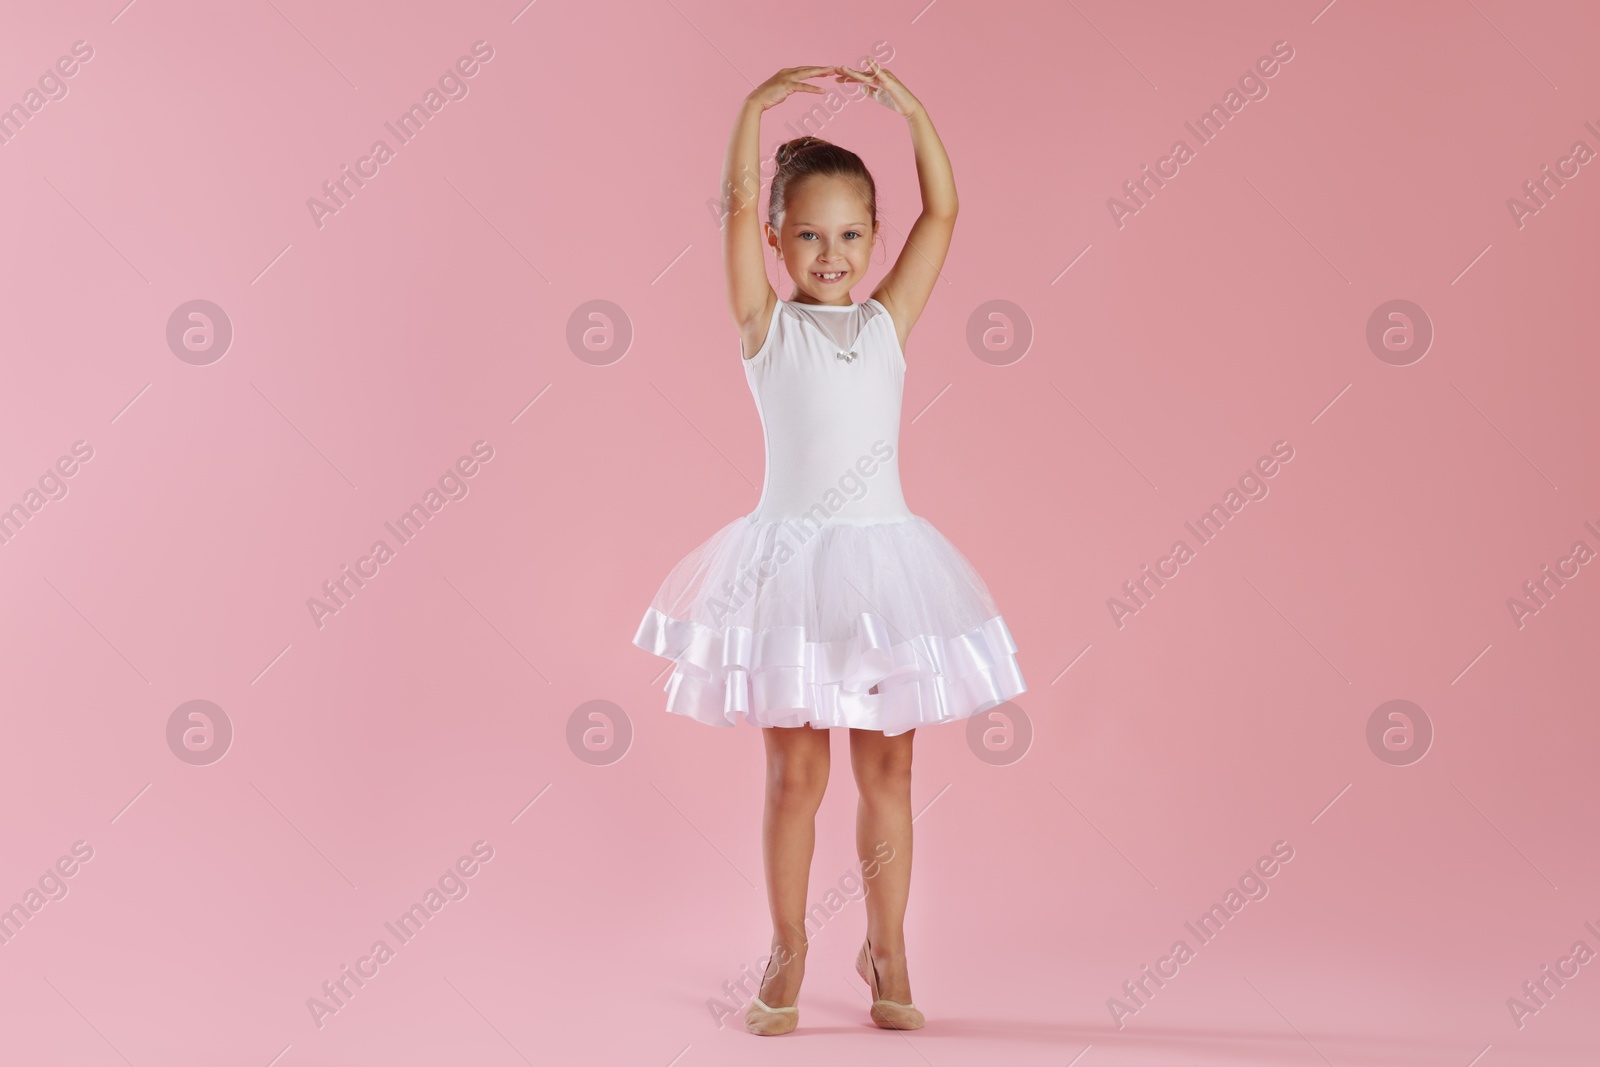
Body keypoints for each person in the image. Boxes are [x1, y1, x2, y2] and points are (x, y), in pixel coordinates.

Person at [631, 61, 1027, 1036]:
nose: (831, 252)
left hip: (887, 576)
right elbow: (728, 214)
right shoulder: (766, 328)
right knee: (794, 775)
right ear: (776, 240)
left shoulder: (888, 325)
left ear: (874, 239)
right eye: (807, 234)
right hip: (786, 577)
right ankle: (789, 944)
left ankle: (887, 945)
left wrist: (917, 113)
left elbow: (945, 211)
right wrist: (751, 113)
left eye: (851, 234)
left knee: (888, 773)